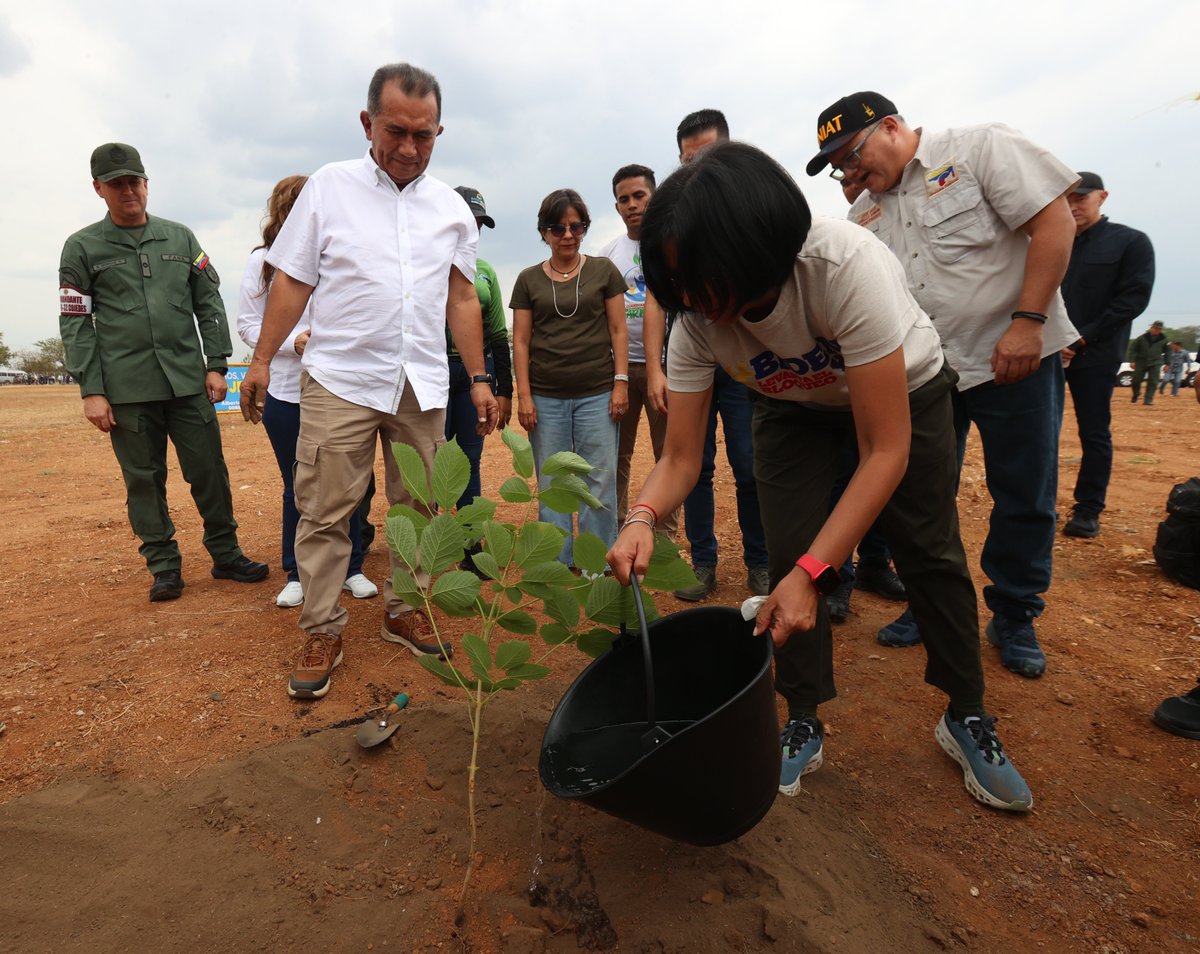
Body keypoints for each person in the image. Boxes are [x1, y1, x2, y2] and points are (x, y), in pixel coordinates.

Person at [609, 142, 1031, 812]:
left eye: (700, 277)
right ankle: (801, 714)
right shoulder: (696, 322)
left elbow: (884, 449)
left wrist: (816, 573)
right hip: (792, 406)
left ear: (754, 248)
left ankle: (966, 713)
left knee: (928, 550)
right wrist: (640, 519)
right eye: (676, 284)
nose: (690, 299)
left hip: (905, 395)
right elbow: (682, 458)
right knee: (788, 553)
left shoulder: (841, 264)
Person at [240, 63, 499, 700]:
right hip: (342, 379)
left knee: (418, 504)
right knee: (326, 508)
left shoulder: (451, 210)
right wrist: (262, 357)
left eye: (424, 135)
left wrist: (481, 378)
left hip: (422, 385)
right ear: (367, 124)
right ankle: (322, 625)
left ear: (439, 132)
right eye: (395, 131)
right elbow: (292, 280)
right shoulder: (327, 189)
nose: (409, 148)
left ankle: (402, 607)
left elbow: (462, 300)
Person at [809, 92, 1078, 680]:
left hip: (1014, 358)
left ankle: (1014, 614)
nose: (850, 175)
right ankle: (932, 605)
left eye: (851, 157)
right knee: (920, 498)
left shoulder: (980, 149)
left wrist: (1029, 322)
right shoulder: (864, 219)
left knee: (1025, 493)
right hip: (926, 375)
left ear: (891, 128)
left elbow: (1055, 221)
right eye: (839, 168)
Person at [59, 142, 268, 603]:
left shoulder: (181, 238)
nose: (128, 190)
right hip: (126, 389)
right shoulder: (82, 247)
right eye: (117, 184)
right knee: (143, 480)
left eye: (135, 181)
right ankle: (164, 566)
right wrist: (92, 390)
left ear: (146, 183)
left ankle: (226, 553)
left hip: (187, 382)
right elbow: (75, 323)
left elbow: (208, 302)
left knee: (209, 469)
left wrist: (216, 365)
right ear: (99, 188)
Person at [236, 175, 377, 607]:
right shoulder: (263, 262)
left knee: (348, 483)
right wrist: (292, 341)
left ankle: (351, 568)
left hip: (339, 389)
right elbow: (246, 324)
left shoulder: (340, 254)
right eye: (299, 205)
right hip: (286, 391)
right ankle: (297, 572)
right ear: (283, 211)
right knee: (297, 483)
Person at [668, 109, 770, 601]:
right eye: (689, 161)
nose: (699, 168)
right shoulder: (675, 219)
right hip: (696, 357)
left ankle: (762, 563)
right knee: (696, 465)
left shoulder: (751, 212)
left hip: (745, 364)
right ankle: (703, 564)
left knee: (751, 465)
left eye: (708, 156)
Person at [511, 189, 628, 566]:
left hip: (597, 392)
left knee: (599, 479)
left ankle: (595, 563)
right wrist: (524, 396)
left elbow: (617, 330)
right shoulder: (528, 280)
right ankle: (557, 564)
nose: (567, 234)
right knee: (553, 483)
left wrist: (621, 382)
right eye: (557, 227)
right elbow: (522, 342)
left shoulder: (603, 271)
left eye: (576, 226)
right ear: (543, 232)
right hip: (546, 397)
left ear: (584, 228)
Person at [1059, 171, 1155, 538]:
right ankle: (1037, 505)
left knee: (1094, 432)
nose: (1073, 205)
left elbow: (1132, 300)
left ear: (1102, 197)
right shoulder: (1051, 239)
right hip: (1046, 352)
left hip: (1095, 356)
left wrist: (1081, 340)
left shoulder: (1129, 242)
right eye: (1066, 198)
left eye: (1081, 198)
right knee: (1039, 433)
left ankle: (1088, 509)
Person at [597, 164, 679, 541]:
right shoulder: (608, 254)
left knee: (670, 453)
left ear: (654, 195)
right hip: (621, 369)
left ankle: (663, 534)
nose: (632, 205)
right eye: (623, 199)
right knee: (617, 455)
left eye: (639, 196)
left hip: (666, 366)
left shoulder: (671, 244)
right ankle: (615, 528)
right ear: (616, 207)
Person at [447, 186, 514, 509]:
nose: (473, 229)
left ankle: (470, 540)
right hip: (434, 369)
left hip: (475, 374)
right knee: (430, 455)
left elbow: (500, 335)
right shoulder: (431, 265)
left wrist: (505, 391)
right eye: (467, 220)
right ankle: (430, 542)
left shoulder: (485, 271)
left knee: (469, 456)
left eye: (479, 223)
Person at [1129, 321, 1169, 405]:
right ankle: (1136, 394)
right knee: (1136, 381)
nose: (1156, 330)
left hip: (1155, 362)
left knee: (1153, 381)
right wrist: (1132, 360)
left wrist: (1167, 364)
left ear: (1161, 330)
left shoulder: (1165, 339)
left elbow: (1169, 352)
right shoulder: (1142, 338)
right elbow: (1133, 348)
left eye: (1159, 329)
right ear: (1151, 328)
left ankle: (1148, 399)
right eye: (1155, 328)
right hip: (1141, 361)